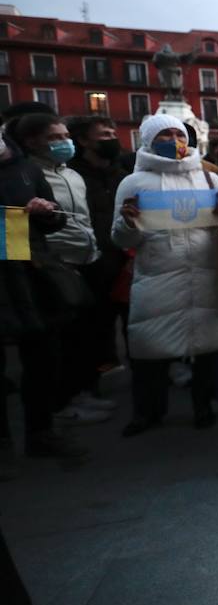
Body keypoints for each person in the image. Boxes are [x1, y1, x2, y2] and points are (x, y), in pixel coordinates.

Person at [112, 115, 218, 436]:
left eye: (178, 134)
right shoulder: (134, 183)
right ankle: (147, 411)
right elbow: (121, 240)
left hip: (206, 273)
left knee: (207, 350)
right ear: (148, 141)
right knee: (149, 352)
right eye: (164, 135)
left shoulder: (208, 179)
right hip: (157, 276)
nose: (174, 140)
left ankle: (203, 405)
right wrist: (128, 223)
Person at [8, 111, 109, 426]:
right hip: (54, 265)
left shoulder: (72, 174)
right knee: (61, 342)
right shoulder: (27, 175)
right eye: (54, 138)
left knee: (86, 336)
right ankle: (62, 403)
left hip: (87, 259)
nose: (63, 142)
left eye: (65, 136)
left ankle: (82, 393)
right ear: (30, 142)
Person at [0, 110, 88, 471]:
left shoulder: (26, 170)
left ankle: (41, 431)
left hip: (31, 270)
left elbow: (55, 220)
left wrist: (44, 211)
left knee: (43, 357)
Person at [67, 114, 130, 376]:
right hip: (91, 261)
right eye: (104, 135)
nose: (112, 139)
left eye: (113, 134)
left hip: (126, 258)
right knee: (96, 321)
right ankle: (102, 366)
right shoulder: (72, 176)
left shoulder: (124, 175)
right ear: (83, 140)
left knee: (131, 316)